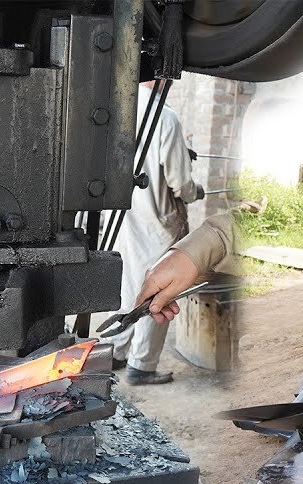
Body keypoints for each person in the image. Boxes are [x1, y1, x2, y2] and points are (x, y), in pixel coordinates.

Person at [108, 81, 208, 385]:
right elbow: (180, 183)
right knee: (159, 289)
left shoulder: (117, 107)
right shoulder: (165, 117)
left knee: (129, 284)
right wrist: (196, 190)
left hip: (125, 215)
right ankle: (142, 365)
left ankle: (115, 351)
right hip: (159, 219)